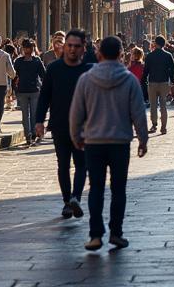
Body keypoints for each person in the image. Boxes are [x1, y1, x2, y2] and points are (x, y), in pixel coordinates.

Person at [69, 35, 148, 251]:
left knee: (96, 188)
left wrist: (76, 136)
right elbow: (138, 113)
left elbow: (76, 112)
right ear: (122, 54)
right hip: (120, 142)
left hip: (94, 141)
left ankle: (95, 235)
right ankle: (116, 232)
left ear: (99, 53)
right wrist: (143, 139)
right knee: (118, 189)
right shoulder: (130, 80)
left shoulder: (86, 79)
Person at [35, 29, 94, 219]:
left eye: (77, 46)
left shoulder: (88, 70)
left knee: (82, 163)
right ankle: (67, 201)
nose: (72, 50)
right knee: (63, 165)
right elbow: (44, 96)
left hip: (84, 127)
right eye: (69, 45)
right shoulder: (54, 69)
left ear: (83, 48)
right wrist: (39, 121)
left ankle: (75, 197)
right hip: (60, 124)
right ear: (64, 46)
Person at [13, 38, 47, 146]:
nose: (27, 49)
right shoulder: (36, 60)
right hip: (32, 90)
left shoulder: (19, 61)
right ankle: (31, 134)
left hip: (25, 90)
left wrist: (14, 88)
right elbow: (43, 75)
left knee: (26, 115)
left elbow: (14, 76)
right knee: (32, 114)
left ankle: (29, 135)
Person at [143, 35, 174, 134]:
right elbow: (172, 70)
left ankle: (154, 125)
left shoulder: (149, 55)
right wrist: (173, 80)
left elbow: (146, 70)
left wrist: (143, 80)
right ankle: (163, 127)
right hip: (164, 83)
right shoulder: (168, 55)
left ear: (155, 43)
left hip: (152, 83)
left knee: (153, 105)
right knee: (163, 106)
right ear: (164, 44)